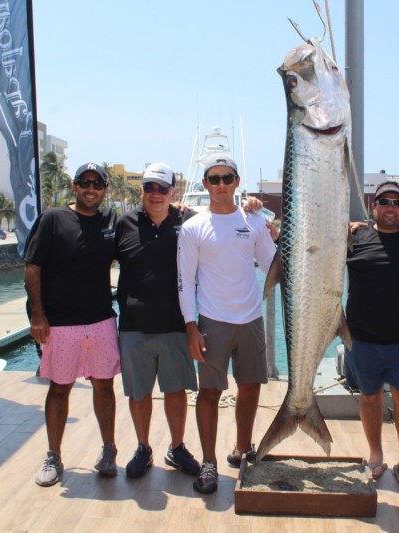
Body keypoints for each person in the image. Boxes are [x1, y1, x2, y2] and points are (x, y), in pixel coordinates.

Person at [177, 154, 279, 494]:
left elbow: (271, 264)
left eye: (228, 178)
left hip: (251, 319)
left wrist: (278, 233)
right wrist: (191, 327)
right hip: (212, 321)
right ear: (205, 184)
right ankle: (209, 461)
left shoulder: (253, 221)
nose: (221, 184)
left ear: (236, 181)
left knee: (250, 386)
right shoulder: (193, 227)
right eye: (214, 178)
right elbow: (184, 281)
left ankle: (243, 447)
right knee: (210, 392)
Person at [25, 163, 120, 487]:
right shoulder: (52, 218)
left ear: (105, 189)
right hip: (61, 323)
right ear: (74, 185)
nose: (90, 188)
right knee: (60, 388)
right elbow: (32, 268)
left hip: (101, 319)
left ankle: (109, 451)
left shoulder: (111, 221)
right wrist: (38, 315)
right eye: (85, 182)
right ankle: (53, 455)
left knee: (104, 386)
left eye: (97, 183)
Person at [114, 162, 200, 479]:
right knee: (139, 392)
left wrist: (253, 211)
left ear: (172, 193)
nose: (155, 194)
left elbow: (223, 227)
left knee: (176, 391)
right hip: (134, 325)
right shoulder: (123, 224)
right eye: (149, 187)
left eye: (162, 188)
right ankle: (143, 448)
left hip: (177, 324)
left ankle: (177, 448)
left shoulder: (189, 221)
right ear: (142, 191)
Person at [345, 181, 399, 486]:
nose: (391, 207)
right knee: (369, 397)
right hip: (361, 338)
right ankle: (375, 454)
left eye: (397, 202)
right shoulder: (354, 236)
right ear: (373, 206)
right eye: (384, 201)